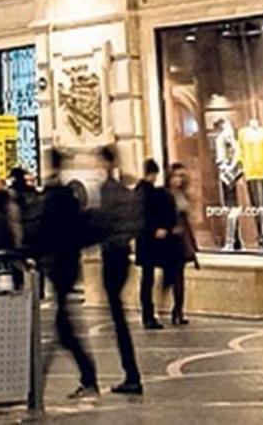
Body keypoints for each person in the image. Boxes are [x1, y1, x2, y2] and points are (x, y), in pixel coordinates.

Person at [38, 149, 100, 397]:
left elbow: (49, 233)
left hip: (60, 265)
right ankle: (83, 377)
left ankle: (84, 377)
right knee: (62, 326)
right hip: (66, 264)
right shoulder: (66, 195)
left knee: (63, 327)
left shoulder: (54, 197)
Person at [94, 146, 143, 395]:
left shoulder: (108, 192)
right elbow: (136, 222)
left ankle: (132, 375)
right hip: (122, 254)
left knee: (118, 318)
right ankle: (131, 373)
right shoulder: (126, 191)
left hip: (112, 255)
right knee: (117, 315)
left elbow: (100, 224)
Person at [135, 159, 180, 330]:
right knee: (149, 278)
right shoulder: (150, 193)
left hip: (145, 242)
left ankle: (148, 314)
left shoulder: (140, 192)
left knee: (147, 278)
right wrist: (157, 229)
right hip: (151, 242)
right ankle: (148, 315)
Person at [162, 164, 199, 325]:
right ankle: (172, 308)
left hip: (182, 239)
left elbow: (187, 221)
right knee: (173, 276)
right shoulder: (165, 195)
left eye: (181, 176)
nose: (179, 179)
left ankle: (178, 310)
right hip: (171, 240)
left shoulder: (183, 195)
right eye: (176, 176)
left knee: (179, 277)